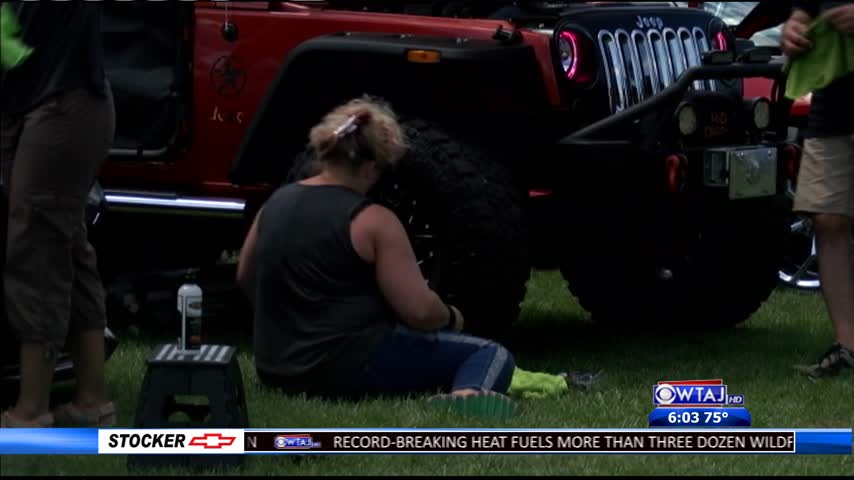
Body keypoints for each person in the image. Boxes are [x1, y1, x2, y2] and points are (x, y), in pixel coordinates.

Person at [236, 97, 520, 418]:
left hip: (275, 368)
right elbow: (419, 311)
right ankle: (468, 395)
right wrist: (453, 317)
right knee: (490, 354)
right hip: (344, 367)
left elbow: (246, 277)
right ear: (371, 166)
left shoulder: (275, 204)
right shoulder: (373, 220)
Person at [0, 3, 116, 427]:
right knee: (66, 244)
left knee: (35, 249)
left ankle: (31, 410)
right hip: (34, 101)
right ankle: (92, 400)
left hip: (63, 102)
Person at [782, 1, 854, 377]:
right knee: (827, 217)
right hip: (833, 101)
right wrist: (795, 27)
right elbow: (805, 9)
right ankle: (848, 347)